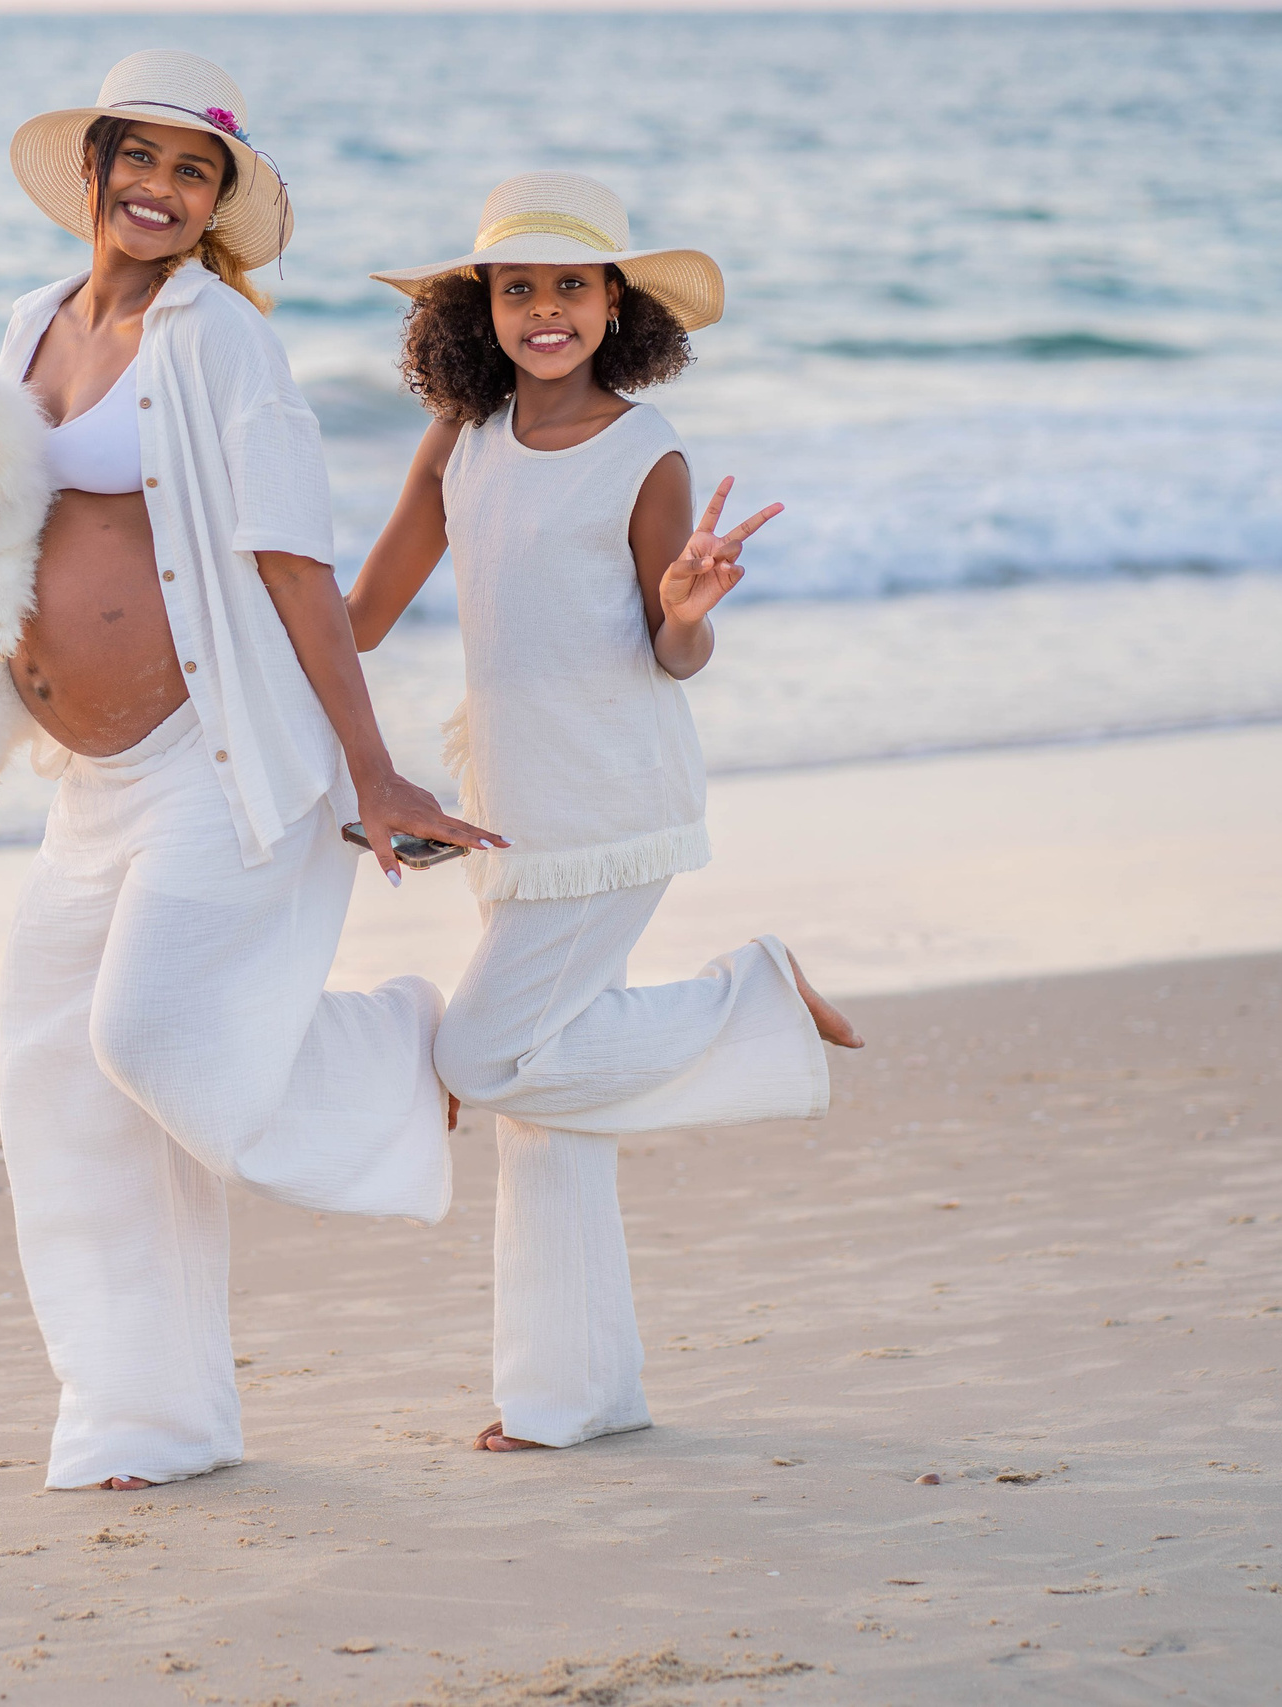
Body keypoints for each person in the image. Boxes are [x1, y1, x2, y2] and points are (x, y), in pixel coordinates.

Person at [0, 52, 502, 1491]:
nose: (158, 187)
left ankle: (393, 1060)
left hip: (214, 758)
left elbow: (290, 555)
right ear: (91, 172)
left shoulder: (223, 343)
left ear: (215, 202)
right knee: (58, 1081)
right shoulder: (28, 326)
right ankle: (147, 1419)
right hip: (91, 784)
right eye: (136, 160)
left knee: (149, 1036)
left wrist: (372, 767)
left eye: (191, 170)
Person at [347, 171, 864, 1454]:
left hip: (611, 805)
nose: (543, 313)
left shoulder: (648, 454)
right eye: (516, 289)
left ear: (615, 304)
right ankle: (571, 1398)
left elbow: (668, 652)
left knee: (482, 1062)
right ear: (479, 310)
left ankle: (749, 997)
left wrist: (687, 613)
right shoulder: (457, 440)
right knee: (549, 1117)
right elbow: (360, 617)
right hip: (506, 805)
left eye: (569, 287)